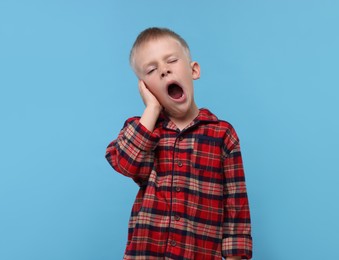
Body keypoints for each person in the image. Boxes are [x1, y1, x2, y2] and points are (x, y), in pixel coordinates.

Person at [105, 27, 253, 259]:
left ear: (193, 70)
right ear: (145, 88)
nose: (164, 71)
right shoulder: (142, 130)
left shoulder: (222, 134)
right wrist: (152, 108)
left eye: (171, 61)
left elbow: (236, 206)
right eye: (152, 70)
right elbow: (125, 163)